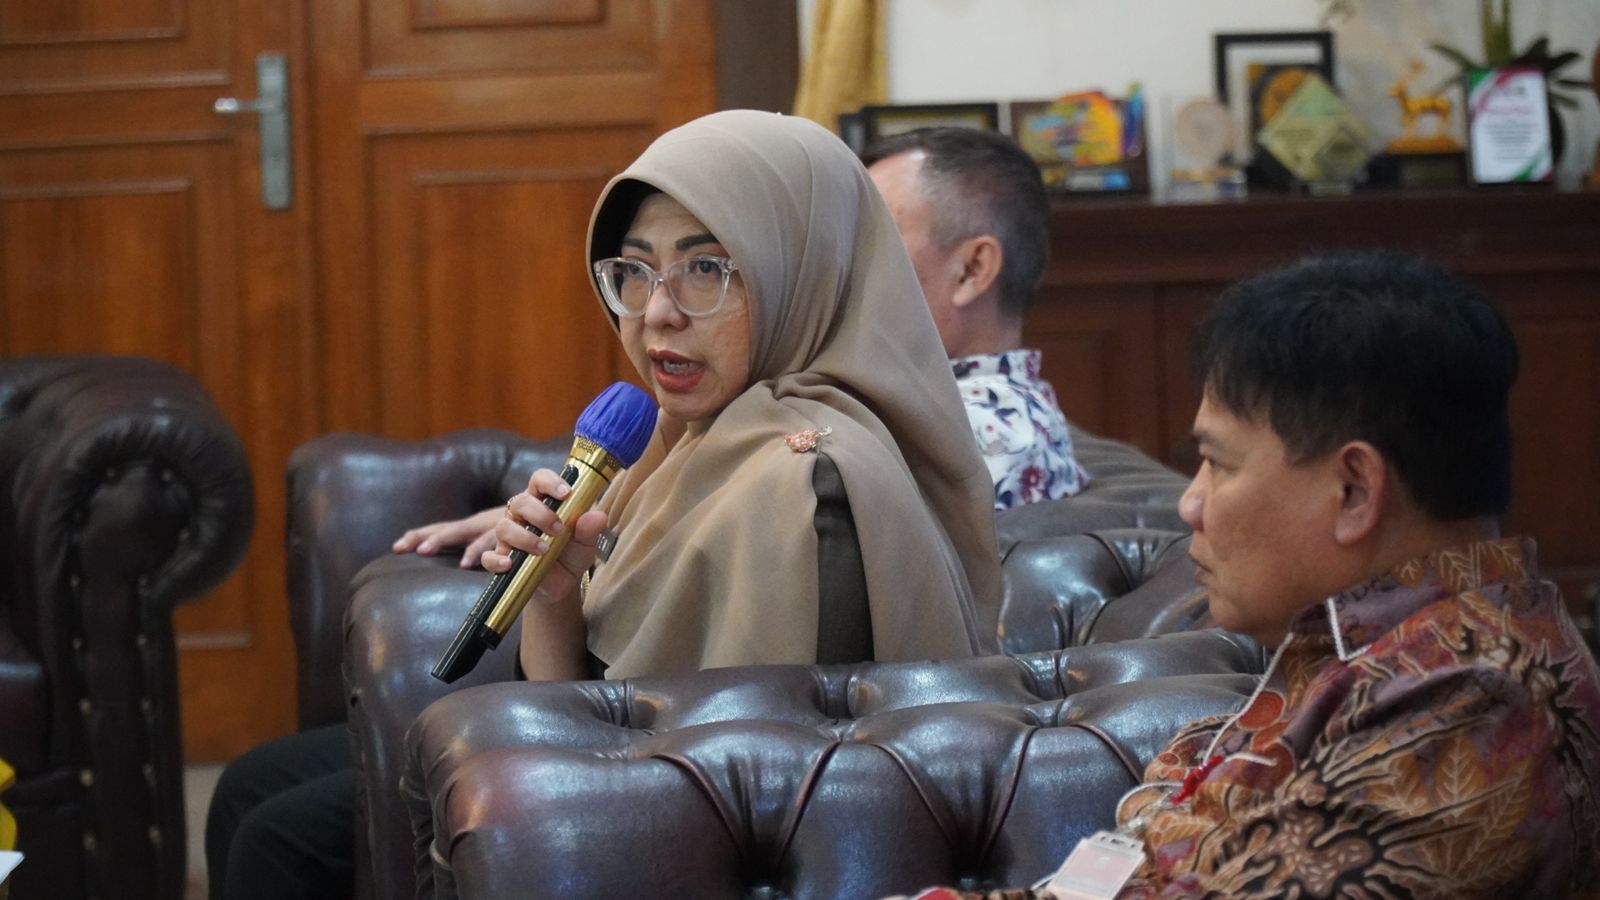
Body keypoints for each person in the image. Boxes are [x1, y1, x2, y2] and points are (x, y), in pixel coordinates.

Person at [206, 109, 1003, 898]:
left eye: (707, 269)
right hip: (598, 792)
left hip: (654, 837)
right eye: (634, 272)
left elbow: (727, 817)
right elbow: (585, 709)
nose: (657, 312)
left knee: (278, 839)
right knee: (251, 787)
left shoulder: (801, 479)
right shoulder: (697, 435)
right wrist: (554, 592)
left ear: (805, 268)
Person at [906, 251, 1600, 899]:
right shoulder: (1375, 645)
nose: (1191, 503)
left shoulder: (1470, 702)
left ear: (1354, 490)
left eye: (1220, 464)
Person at [392, 126, 1083, 569]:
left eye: (872, 246)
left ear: (973, 270)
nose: (840, 266)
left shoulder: (971, 429)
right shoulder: (798, 405)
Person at [862, 127, 1088, 508]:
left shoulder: (984, 434)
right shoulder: (923, 405)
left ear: (971, 270)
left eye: (874, 238)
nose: (843, 264)